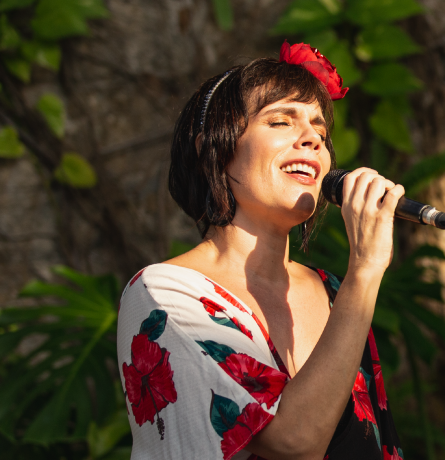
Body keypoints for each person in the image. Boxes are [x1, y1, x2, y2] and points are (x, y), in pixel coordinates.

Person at [117, 42, 407, 460]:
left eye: (320, 131)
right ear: (212, 150)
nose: (312, 139)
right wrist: (365, 270)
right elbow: (293, 442)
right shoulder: (163, 293)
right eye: (280, 121)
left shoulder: (333, 292)